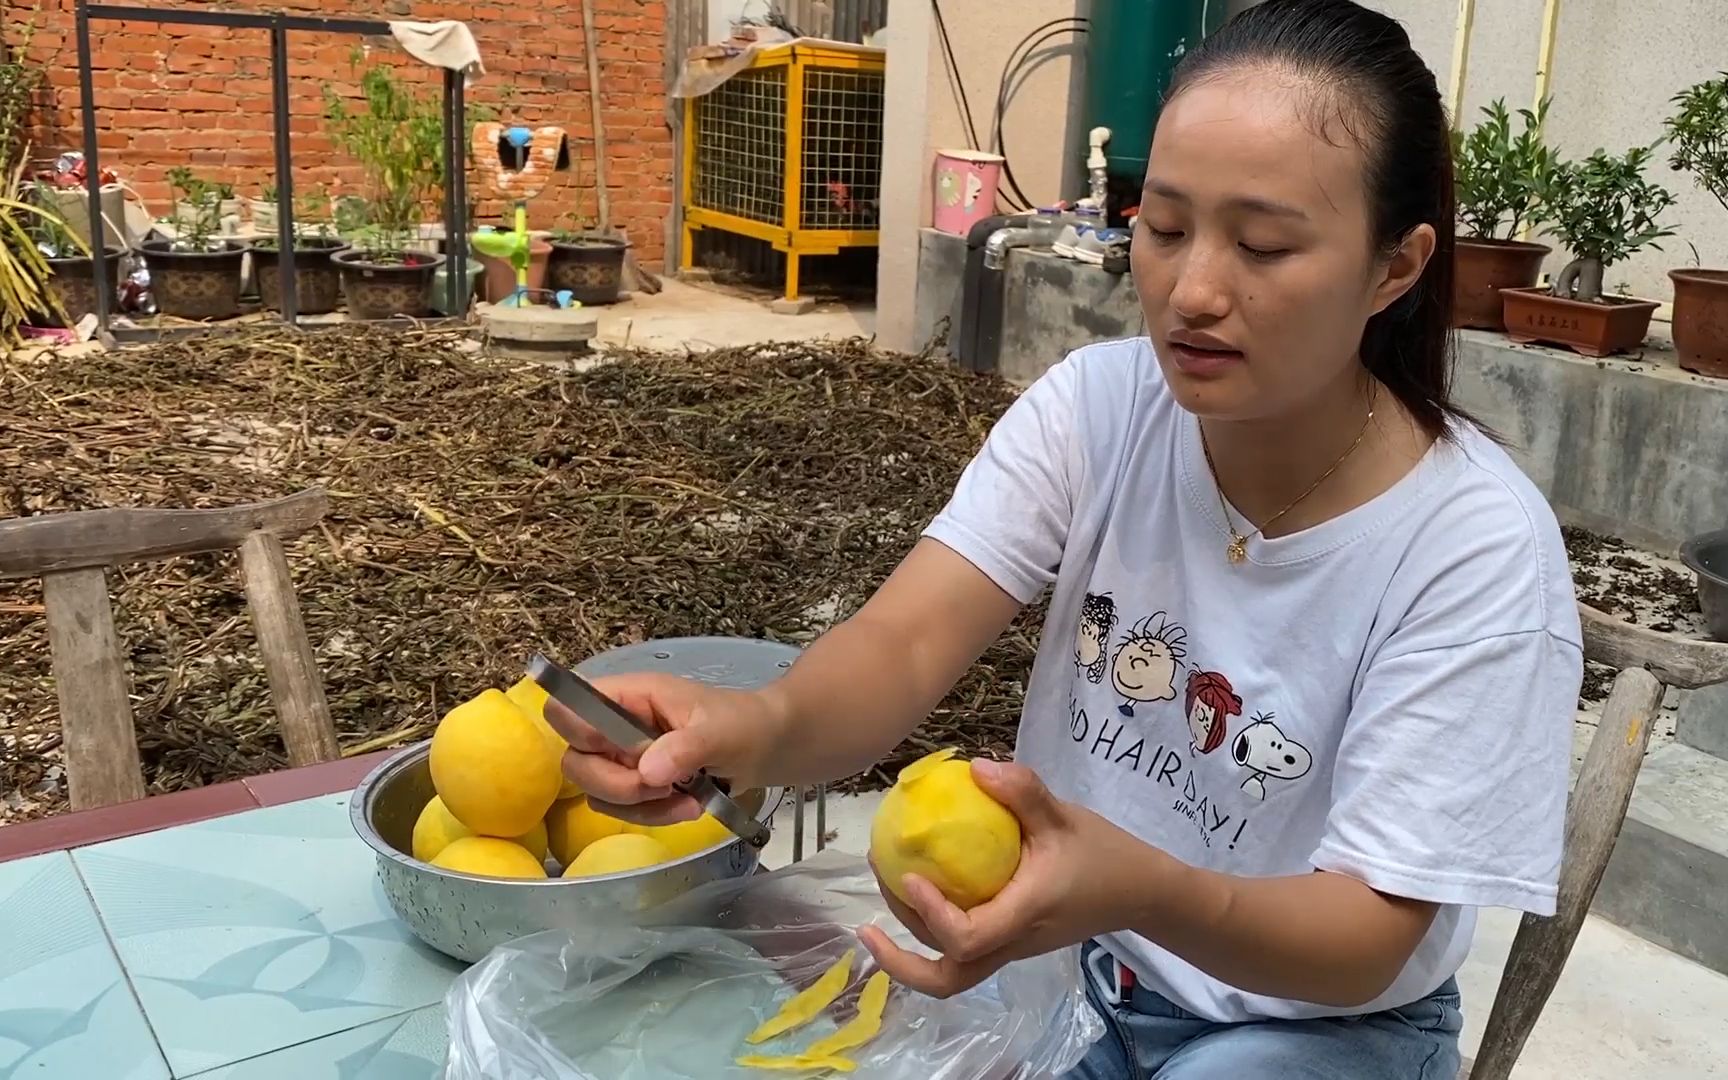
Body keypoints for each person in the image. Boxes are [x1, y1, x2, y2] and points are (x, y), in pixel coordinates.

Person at [545, 0, 1583, 1074]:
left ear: (1395, 267)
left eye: (1264, 245)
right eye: (1165, 227)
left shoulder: (1471, 550)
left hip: (1309, 1024)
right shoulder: (1098, 407)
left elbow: (1368, 938)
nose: (1192, 291)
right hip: (1078, 963)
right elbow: (902, 646)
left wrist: (1140, 887)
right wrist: (751, 728)